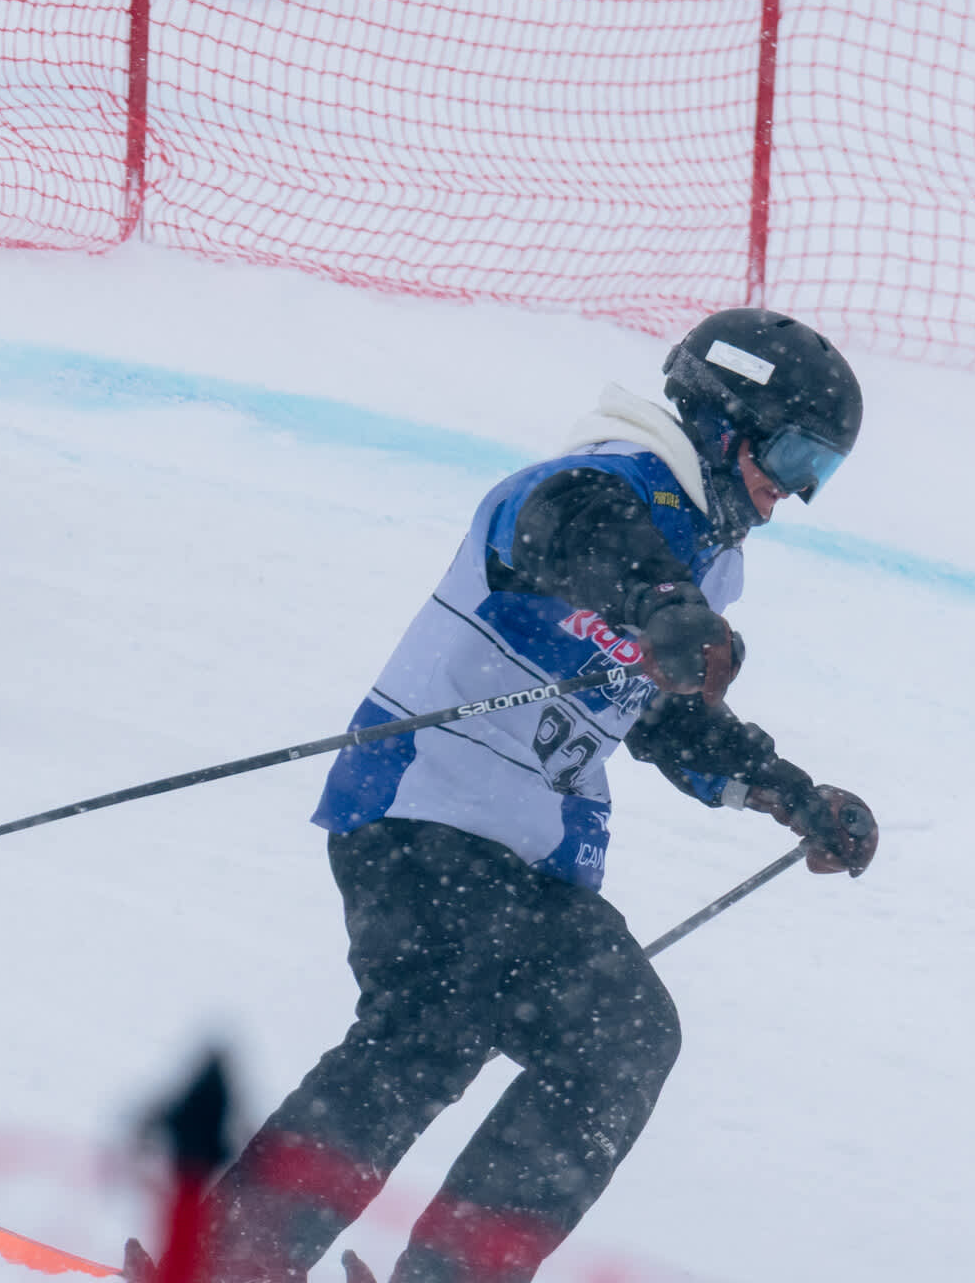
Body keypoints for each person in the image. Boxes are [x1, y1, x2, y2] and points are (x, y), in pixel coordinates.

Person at [193, 309, 883, 1283]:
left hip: (527, 857)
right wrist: (661, 606)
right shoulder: (601, 482)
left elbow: (654, 710)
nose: (795, 491)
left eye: (823, 471)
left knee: (579, 1040)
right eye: (794, 455)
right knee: (470, 1026)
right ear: (725, 421)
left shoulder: (709, 559)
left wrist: (785, 791)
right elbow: (567, 530)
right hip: (424, 808)